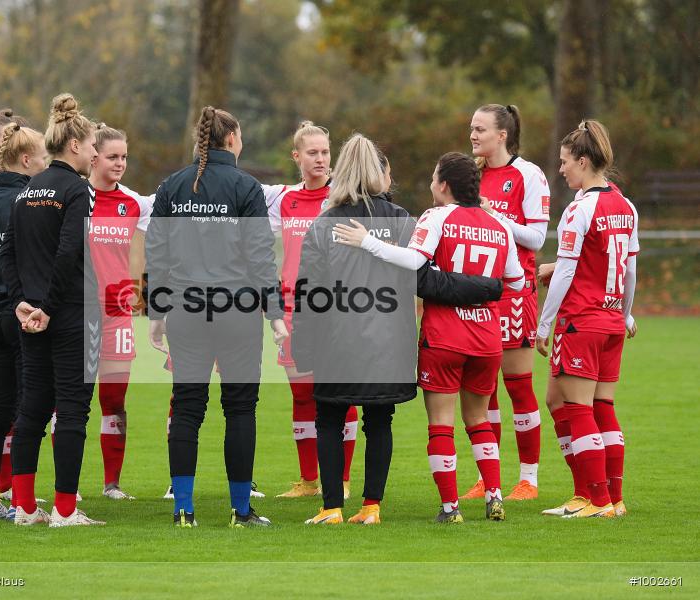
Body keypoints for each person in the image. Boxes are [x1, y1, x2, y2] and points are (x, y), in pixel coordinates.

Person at [335, 152, 524, 523]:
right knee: (480, 419)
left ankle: (451, 508)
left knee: (441, 423)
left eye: (433, 178)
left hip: (446, 336)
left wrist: (368, 242)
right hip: (487, 337)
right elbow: (515, 280)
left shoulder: (438, 216)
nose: (430, 185)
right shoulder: (499, 226)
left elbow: (413, 261)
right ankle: (495, 496)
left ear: (444, 185)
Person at [145, 105, 288, 527]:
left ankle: (183, 510)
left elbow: (158, 253)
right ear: (232, 139)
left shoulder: (172, 186)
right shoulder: (246, 187)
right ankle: (241, 511)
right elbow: (261, 257)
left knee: (187, 409)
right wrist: (275, 315)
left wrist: (157, 311)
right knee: (240, 409)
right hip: (238, 312)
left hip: (186, 312)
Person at [0, 93, 102, 527]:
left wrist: (22, 301)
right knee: (74, 409)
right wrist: (46, 306)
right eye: (93, 144)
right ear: (75, 145)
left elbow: (6, 252)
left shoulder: (26, 192)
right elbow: (68, 253)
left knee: (32, 408)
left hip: (30, 316)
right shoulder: (78, 190)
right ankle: (64, 510)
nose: (96, 152)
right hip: (70, 314)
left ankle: (24, 508)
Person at [535, 120, 638, 519]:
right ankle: (605, 497)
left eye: (564, 162)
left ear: (582, 160)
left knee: (578, 407)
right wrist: (625, 314)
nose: (560, 170)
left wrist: (545, 323)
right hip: (611, 320)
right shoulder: (625, 205)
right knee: (575, 401)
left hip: (582, 320)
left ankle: (598, 500)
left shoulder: (580, 208)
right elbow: (629, 270)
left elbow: (565, 272)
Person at [463, 104, 551, 501]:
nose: (473, 135)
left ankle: (529, 479)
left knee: (518, 386)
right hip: (478, 293)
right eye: (471, 129)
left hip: (515, 293)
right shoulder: (472, 174)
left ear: (503, 134)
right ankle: (489, 476)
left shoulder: (528, 174)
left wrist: (491, 216)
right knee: (484, 390)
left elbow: (536, 238)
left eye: (480, 129)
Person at [267, 121, 358, 500]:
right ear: (297, 157)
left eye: (325, 152)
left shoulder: (343, 198)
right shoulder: (284, 200)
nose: (321, 159)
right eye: (312, 152)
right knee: (302, 395)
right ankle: (308, 479)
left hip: (336, 309)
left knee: (341, 394)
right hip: (293, 310)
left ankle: (344, 478)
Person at [0, 123, 48, 520]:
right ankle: (22, 502)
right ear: (25, 160)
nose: (46, 163)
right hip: (19, 313)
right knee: (26, 410)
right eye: (42, 156)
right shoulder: (26, 200)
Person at [87, 123, 154, 501]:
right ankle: (70, 485)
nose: (120, 163)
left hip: (117, 315)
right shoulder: (77, 197)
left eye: (124, 157)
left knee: (114, 401)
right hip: (79, 314)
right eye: (112, 157)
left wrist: (137, 292)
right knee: (70, 402)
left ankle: (111, 484)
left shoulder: (133, 203)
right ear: (93, 157)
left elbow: (139, 252)